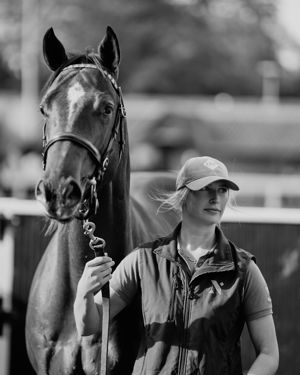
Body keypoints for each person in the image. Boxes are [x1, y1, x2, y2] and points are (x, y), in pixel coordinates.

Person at [74, 155, 279, 375]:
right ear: (183, 195)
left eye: (222, 190)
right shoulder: (143, 259)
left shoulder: (244, 270)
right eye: (205, 188)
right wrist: (84, 291)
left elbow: (269, 354)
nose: (215, 198)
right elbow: (90, 325)